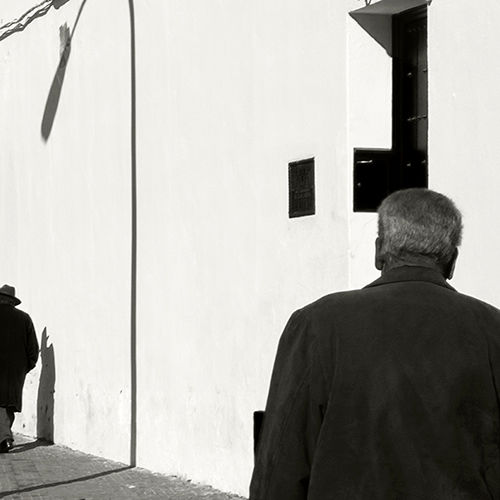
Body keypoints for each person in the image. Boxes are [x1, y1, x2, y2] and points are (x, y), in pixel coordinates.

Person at [250, 188, 500, 499]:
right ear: (451, 261)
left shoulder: (318, 324)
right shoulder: (492, 329)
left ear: (380, 251)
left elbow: (281, 462)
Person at [0, 285, 39, 453]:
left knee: (1, 405)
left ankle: (5, 438)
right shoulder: (24, 318)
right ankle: (4, 438)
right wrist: (24, 367)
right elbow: (33, 349)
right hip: (16, 371)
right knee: (8, 404)